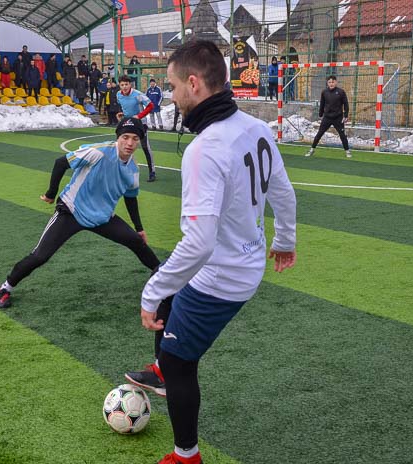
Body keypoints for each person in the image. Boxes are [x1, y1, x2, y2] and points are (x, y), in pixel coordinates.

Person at [124, 40, 297, 464]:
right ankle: (163, 364)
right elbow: (284, 192)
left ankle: (187, 455)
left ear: (195, 83)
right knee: (171, 289)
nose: (171, 95)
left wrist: (149, 292)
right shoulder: (254, 127)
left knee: (180, 359)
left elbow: (198, 245)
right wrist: (285, 240)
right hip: (244, 259)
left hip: (223, 274)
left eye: (173, 85)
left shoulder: (205, 148)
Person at [0, 117, 161, 309]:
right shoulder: (98, 152)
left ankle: (163, 275)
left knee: (136, 241)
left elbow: (131, 198)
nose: (130, 143)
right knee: (40, 256)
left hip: (101, 217)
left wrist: (139, 228)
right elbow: (60, 162)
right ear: (118, 137)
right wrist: (50, 193)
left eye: (134, 138)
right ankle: (5, 288)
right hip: (72, 211)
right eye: (125, 137)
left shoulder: (132, 169)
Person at [116, 75, 156, 182]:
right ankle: (124, 172)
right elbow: (123, 106)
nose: (124, 87)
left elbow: (151, 106)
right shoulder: (118, 94)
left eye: (126, 84)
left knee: (145, 147)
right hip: (128, 124)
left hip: (140, 125)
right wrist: (122, 114)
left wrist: (139, 116)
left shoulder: (137, 95)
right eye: (122, 85)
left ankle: (152, 172)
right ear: (119, 85)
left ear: (130, 84)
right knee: (123, 147)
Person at [306, 75, 352, 158]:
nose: (331, 84)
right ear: (327, 83)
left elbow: (346, 104)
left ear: (336, 82)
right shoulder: (324, 92)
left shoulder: (341, 92)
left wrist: (345, 115)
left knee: (342, 135)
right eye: (329, 82)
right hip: (327, 117)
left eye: (333, 82)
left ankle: (347, 151)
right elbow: (322, 104)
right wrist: (320, 114)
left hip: (338, 118)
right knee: (319, 134)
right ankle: (312, 150)